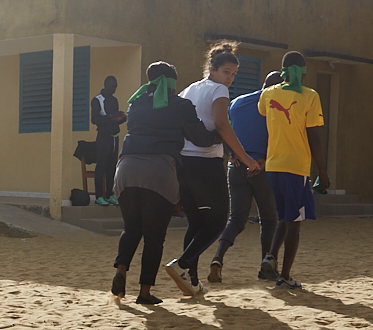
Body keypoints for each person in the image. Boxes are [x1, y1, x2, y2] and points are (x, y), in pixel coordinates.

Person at [110, 62, 218, 305]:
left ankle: (120, 271)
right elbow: (200, 138)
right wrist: (219, 135)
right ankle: (144, 293)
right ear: (172, 82)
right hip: (158, 171)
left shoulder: (135, 103)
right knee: (154, 237)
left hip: (126, 168)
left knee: (131, 228)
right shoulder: (180, 105)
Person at [165, 42, 262, 296]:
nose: (229, 78)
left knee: (197, 223)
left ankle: (192, 281)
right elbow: (221, 123)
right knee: (218, 221)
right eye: (226, 72)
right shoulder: (218, 90)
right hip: (205, 163)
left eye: (233, 74)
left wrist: (229, 152)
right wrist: (246, 158)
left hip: (184, 163)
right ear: (213, 68)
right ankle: (183, 264)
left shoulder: (189, 90)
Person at [257, 51, 329, 290]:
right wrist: (322, 170)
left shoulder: (268, 94)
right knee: (294, 223)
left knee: (285, 217)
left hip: (273, 165)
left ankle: (270, 256)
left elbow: (264, 112)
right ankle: (285, 276)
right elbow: (313, 136)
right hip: (296, 167)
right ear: (304, 71)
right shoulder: (310, 96)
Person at [210, 69, 282, 283]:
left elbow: (222, 128)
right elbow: (280, 138)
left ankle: (217, 258)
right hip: (261, 168)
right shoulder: (277, 107)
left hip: (237, 166)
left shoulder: (238, 102)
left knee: (236, 219)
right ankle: (265, 267)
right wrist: (265, 160)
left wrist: (231, 153)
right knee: (269, 220)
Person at [90, 76, 124, 205]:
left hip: (114, 137)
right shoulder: (97, 100)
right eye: (111, 87)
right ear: (105, 85)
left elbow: (114, 121)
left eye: (115, 87)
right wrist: (110, 116)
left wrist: (121, 118)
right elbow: (94, 119)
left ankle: (109, 194)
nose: (113, 90)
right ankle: (99, 196)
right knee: (101, 167)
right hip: (103, 137)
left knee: (112, 167)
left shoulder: (114, 100)